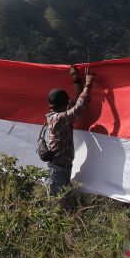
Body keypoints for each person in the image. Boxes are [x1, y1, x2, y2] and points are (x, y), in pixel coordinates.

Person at [45, 65, 96, 197]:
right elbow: (78, 107)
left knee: (59, 205)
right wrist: (88, 84)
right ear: (64, 104)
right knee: (55, 208)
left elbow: (75, 100)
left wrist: (76, 80)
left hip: (60, 169)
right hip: (58, 171)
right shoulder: (59, 119)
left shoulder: (56, 115)